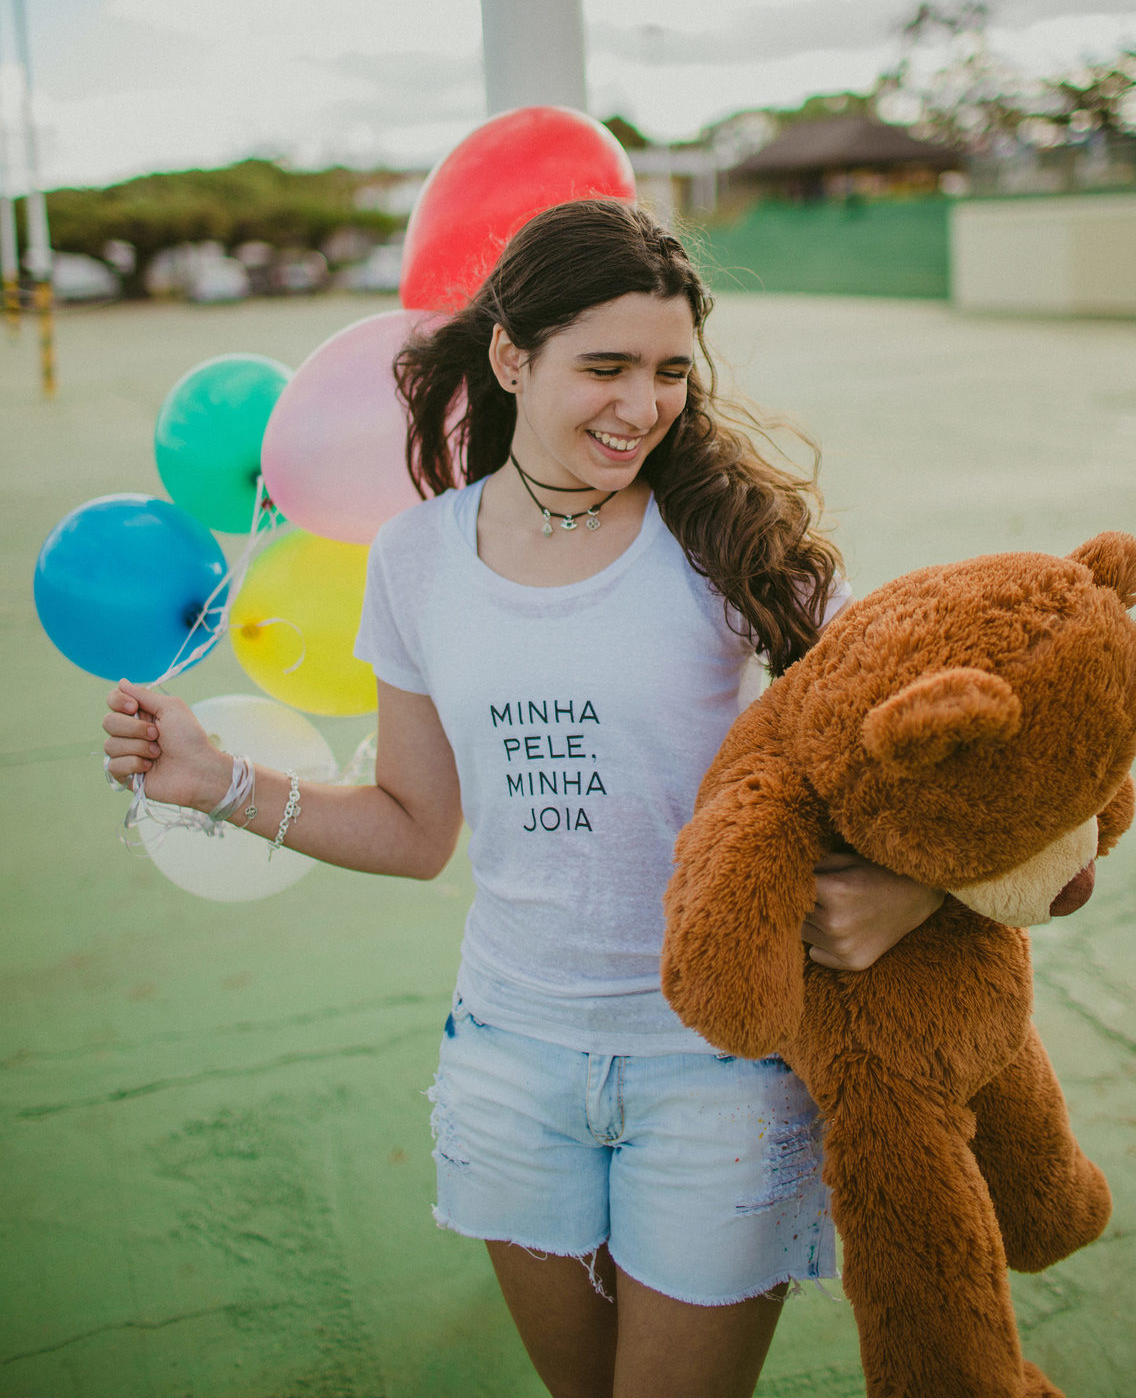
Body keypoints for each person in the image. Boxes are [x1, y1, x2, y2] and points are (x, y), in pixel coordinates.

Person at [103, 200, 942, 1398]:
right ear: (511, 357)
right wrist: (212, 782)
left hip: (719, 1064)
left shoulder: (742, 548)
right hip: (509, 1062)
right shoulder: (417, 560)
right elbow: (413, 829)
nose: (641, 405)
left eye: (666, 372)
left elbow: (960, 765)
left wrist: (911, 889)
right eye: (603, 367)